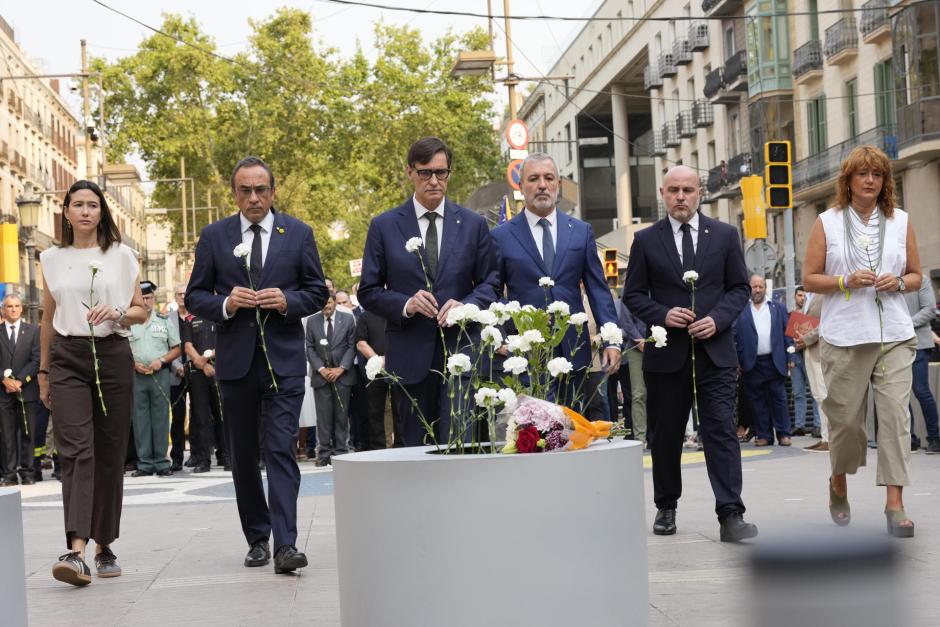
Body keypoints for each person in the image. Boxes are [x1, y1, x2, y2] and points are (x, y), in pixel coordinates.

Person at [186, 156, 328, 573]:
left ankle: (287, 544)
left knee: (281, 449)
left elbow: (316, 290)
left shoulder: (298, 233)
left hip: (283, 362)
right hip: (236, 365)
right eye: (245, 190)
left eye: (261, 189)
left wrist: (289, 301)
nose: (254, 198)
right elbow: (195, 297)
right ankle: (257, 537)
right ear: (234, 194)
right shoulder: (215, 236)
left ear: (273, 191)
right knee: (244, 455)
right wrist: (226, 304)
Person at [623, 165, 756, 542]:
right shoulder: (646, 240)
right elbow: (632, 295)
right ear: (663, 194)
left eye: (688, 190)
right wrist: (662, 315)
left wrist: (717, 319)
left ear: (700, 193)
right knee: (666, 434)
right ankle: (666, 506)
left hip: (714, 353)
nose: (681, 197)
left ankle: (731, 514)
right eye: (674, 190)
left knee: (720, 431)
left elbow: (739, 289)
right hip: (667, 356)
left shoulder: (726, 235)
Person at [802, 144, 920, 537]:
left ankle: (894, 504)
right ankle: (838, 479)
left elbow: (917, 275)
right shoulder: (827, 222)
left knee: (895, 420)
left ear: (885, 181)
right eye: (862, 174)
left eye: (878, 174)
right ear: (848, 181)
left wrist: (900, 282)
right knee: (846, 424)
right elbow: (809, 279)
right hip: (846, 335)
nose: (870, 180)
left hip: (894, 335)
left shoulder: (900, 221)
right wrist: (844, 281)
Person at [38, 179, 148, 586]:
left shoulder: (122, 256)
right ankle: (77, 549)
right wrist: (45, 371)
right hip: (67, 356)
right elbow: (48, 318)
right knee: (75, 450)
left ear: (103, 212)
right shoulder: (50, 258)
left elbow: (141, 313)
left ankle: (105, 545)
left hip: (113, 355)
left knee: (109, 451)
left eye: (93, 205)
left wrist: (118, 311)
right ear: (65, 212)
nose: (85, 211)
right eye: (78, 204)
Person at [358, 137, 499, 446]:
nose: (434, 181)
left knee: (463, 446)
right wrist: (406, 304)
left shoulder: (473, 224)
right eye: (426, 173)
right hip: (409, 357)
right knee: (414, 452)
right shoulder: (384, 226)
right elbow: (367, 291)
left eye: (442, 172)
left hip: (461, 353)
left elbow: (490, 282)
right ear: (410, 173)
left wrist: (466, 306)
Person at [490, 153, 620, 407]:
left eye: (549, 178)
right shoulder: (501, 236)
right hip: (525, 355)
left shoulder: (581, 232)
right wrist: (502, 337)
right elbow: (492, 291)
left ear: (558, 184)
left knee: (574, 435)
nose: (542, 185)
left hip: (574, 353)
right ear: (520, 185)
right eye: (534, 178)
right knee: (535, 435)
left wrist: (612, 340)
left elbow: (598, 290)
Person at [732, 274, 794, 447]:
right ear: (749, 288)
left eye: (760, 286)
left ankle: (784, 434)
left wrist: (791, 357)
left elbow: (787, 334)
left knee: (779, 399)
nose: (757, 290)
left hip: (775, 361)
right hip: (752, 363)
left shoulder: (778, 308)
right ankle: (764, 435)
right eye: (754, 286)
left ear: (765, 288)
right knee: (757, 401)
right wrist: (736, 361)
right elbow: (734, 336)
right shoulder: (741, 310)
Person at [129, 281, 181, 478]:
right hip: (137, 375)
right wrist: (133, 364)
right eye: (141, 298)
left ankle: (161, 462)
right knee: (140, 419)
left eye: (148, 297)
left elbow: (176, 347)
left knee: (160, 419)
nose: (145, 301)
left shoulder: (163, 320)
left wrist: (161, 360)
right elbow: (123, 350)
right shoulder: (129, 322)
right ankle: (144, 463)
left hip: (159, 375)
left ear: (153, 299)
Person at [306, 294, 357, 465]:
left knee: (342, 416)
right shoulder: (312, 321)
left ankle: (342, 451)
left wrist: (341, 368)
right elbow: (310, 348)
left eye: (328, 302)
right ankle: (324, 453)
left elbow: (352, 346)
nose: (326, 306)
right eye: (323, 303)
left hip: (343, 376)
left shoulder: (348, 319)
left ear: (334, 302)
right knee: (323, 417)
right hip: (321, 377)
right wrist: (321, 369)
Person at [0, 294, 40, 486]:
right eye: (9, 306)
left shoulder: (33, 331)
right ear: (3, 310)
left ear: (22, 308)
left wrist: (20, 381)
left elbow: (36, 359)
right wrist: (4, 379)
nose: (13, 309)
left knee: (28, 433)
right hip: (2, 392)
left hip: (27, 390)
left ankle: (27, 473)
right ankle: (8, 474)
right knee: (6, 434)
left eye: (16, 306)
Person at [181, 313, 228, 472]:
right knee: (201, 417)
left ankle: (227, 456)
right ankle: (203, 460)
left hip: (220, 369)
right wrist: (202, 364)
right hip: (198, 373)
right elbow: (188, 346)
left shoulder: (221, 316)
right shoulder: (191, 319)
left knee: (222, 415)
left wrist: (208, 357)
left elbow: (226, 341)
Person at [905, 275, 939, 453]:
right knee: (899, 395)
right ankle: (909, 439)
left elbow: (929, 311)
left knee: (921, 391)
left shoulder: (922, 279)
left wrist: (903, 325)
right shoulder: (887, 280)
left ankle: (935, 438)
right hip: (894, 345)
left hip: (918, 343)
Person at [356, 308, 396, 449]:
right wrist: (379, 360)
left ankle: (402, 446)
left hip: (399, 368)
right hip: (375, 371)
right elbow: (361, 343)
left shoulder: (397, 312)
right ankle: (378, 448)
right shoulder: (365, 316)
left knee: (400, 409)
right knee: (375, 411)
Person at [795, 293, 831, 452]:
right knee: (817, 396)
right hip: (808, 351)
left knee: (824, 396)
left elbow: (826, 322)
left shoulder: (825, 295)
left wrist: (807, 338)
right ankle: (825, 438)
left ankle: (830, 439)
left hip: (821, 350)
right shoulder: (808, 298)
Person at [615, 294, 647, 444]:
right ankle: (640, 437)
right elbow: (626, 322)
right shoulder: (630, 293)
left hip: (658, 343)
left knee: (659, 393)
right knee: (638, 394)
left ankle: (657, 436)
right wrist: (639, 339)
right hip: (635, 347)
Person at [790, 287, 820, 437]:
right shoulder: (791, 315)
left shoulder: (812, 311)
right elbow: (787, 339)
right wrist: (790, 358)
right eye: (799, 295)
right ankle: (799, 425)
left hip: (811, 353)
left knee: (816, 391)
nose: (802, 298)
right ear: (795, 297)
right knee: (798, 392)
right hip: (796, 358)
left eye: (804, 296)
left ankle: (817, 425)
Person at [167, 284, 190, 471]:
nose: (183, 297)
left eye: (185, 293)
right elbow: (167, 346)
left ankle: (199, 454)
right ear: (175, 297)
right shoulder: (167, 319)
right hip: (176, 375)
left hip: (197, 371)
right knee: (178, 417)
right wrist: (176, 367)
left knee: (200, 414)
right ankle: (177, 457)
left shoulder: (199, 316)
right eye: (179, 294)